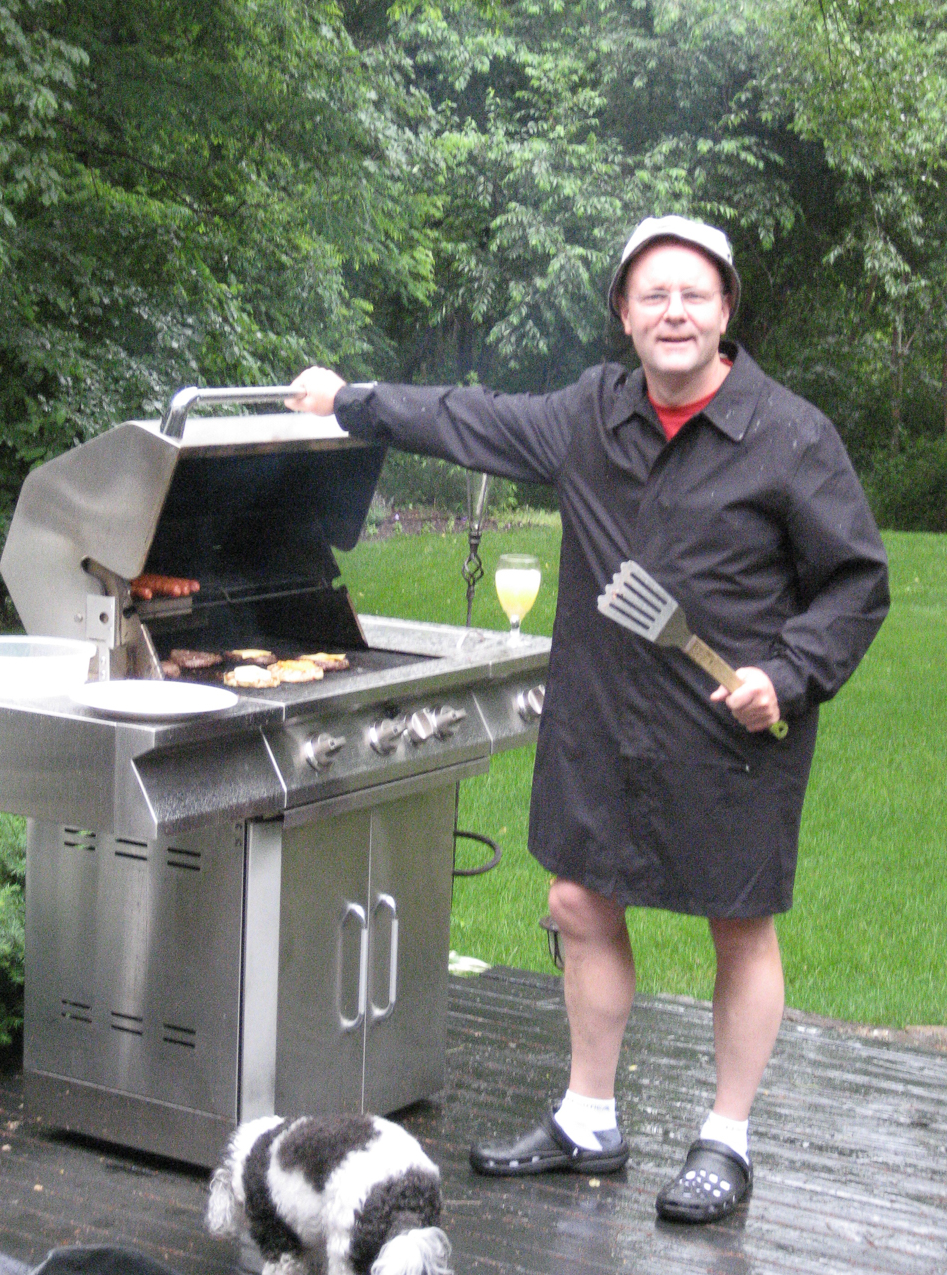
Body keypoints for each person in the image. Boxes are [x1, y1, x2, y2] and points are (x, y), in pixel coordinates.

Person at [285, 215, 889, 1223]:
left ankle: (724, 1138)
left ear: (725, 309)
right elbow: (467, 419)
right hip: (600, 718)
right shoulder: (589, 416)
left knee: (737, 926)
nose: (673, 313)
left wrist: (784, 678)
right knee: (577, 903)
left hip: (727, 727)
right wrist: (348, 402)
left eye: (693, 294)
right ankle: (587, 1119)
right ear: (622, 312)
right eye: (651, 295)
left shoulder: (787, 434)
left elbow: (854, 585)